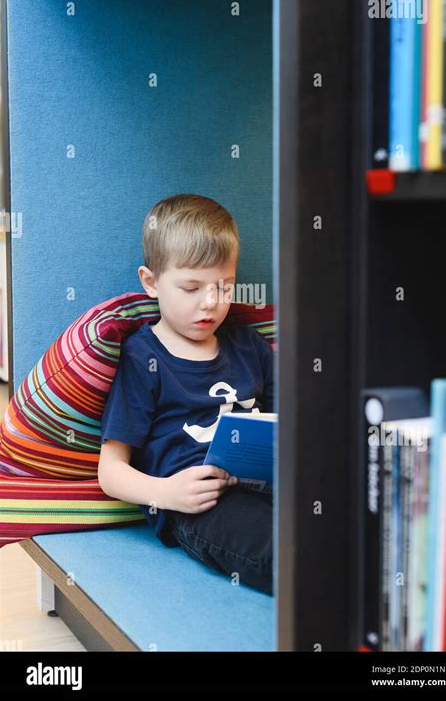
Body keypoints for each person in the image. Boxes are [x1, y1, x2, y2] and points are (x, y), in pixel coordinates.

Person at [98, 193, 274, 595]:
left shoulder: (250, 348)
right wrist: (168, 493)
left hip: (266, 483)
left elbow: (288, 425)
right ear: (151, 282)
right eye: (191, 287)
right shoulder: (144, 359)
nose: (210, 302)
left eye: (224, 286)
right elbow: (110, 471)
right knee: (281, 551)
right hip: (197, 504)